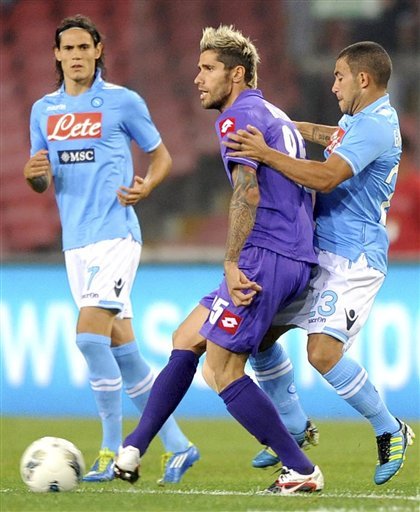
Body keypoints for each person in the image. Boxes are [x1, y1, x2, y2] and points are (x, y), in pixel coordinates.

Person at [114, 25, 324, 495]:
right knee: (186, 336)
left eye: (208, 69)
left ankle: (301, 469)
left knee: (222, 370)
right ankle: (134, 448)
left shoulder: (237, 117)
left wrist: (232, 261)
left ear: (237, 74)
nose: (197, 79)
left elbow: (247, 191)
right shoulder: (273, 112)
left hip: (265, 254)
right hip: (289, 252)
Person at [224, 41, 415, 485]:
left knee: (322, 352)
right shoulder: (360, 120)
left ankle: (391, 429)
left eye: (339, 77)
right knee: (261, 333)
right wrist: (282, 126)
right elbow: (332, 135)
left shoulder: (376, 126)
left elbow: (327, 176)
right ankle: (292, 425)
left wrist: (267, 151)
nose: (333, 86)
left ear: (363, 80)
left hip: (354, 259)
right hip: (321, 249)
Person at [23, 14, 199, 485]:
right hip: (75, 244)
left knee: (87, 337)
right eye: (69, 49)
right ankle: (180, 446)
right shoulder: (43, 110)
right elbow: (42, 178)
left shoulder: (123, 102)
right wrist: (32, 175)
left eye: (85, 47)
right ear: (57, 55)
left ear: (98, 51)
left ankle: (110, 449)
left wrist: (147, 186)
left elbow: (159, 155)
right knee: (124, 352)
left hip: (117, 234)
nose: (77, 56)